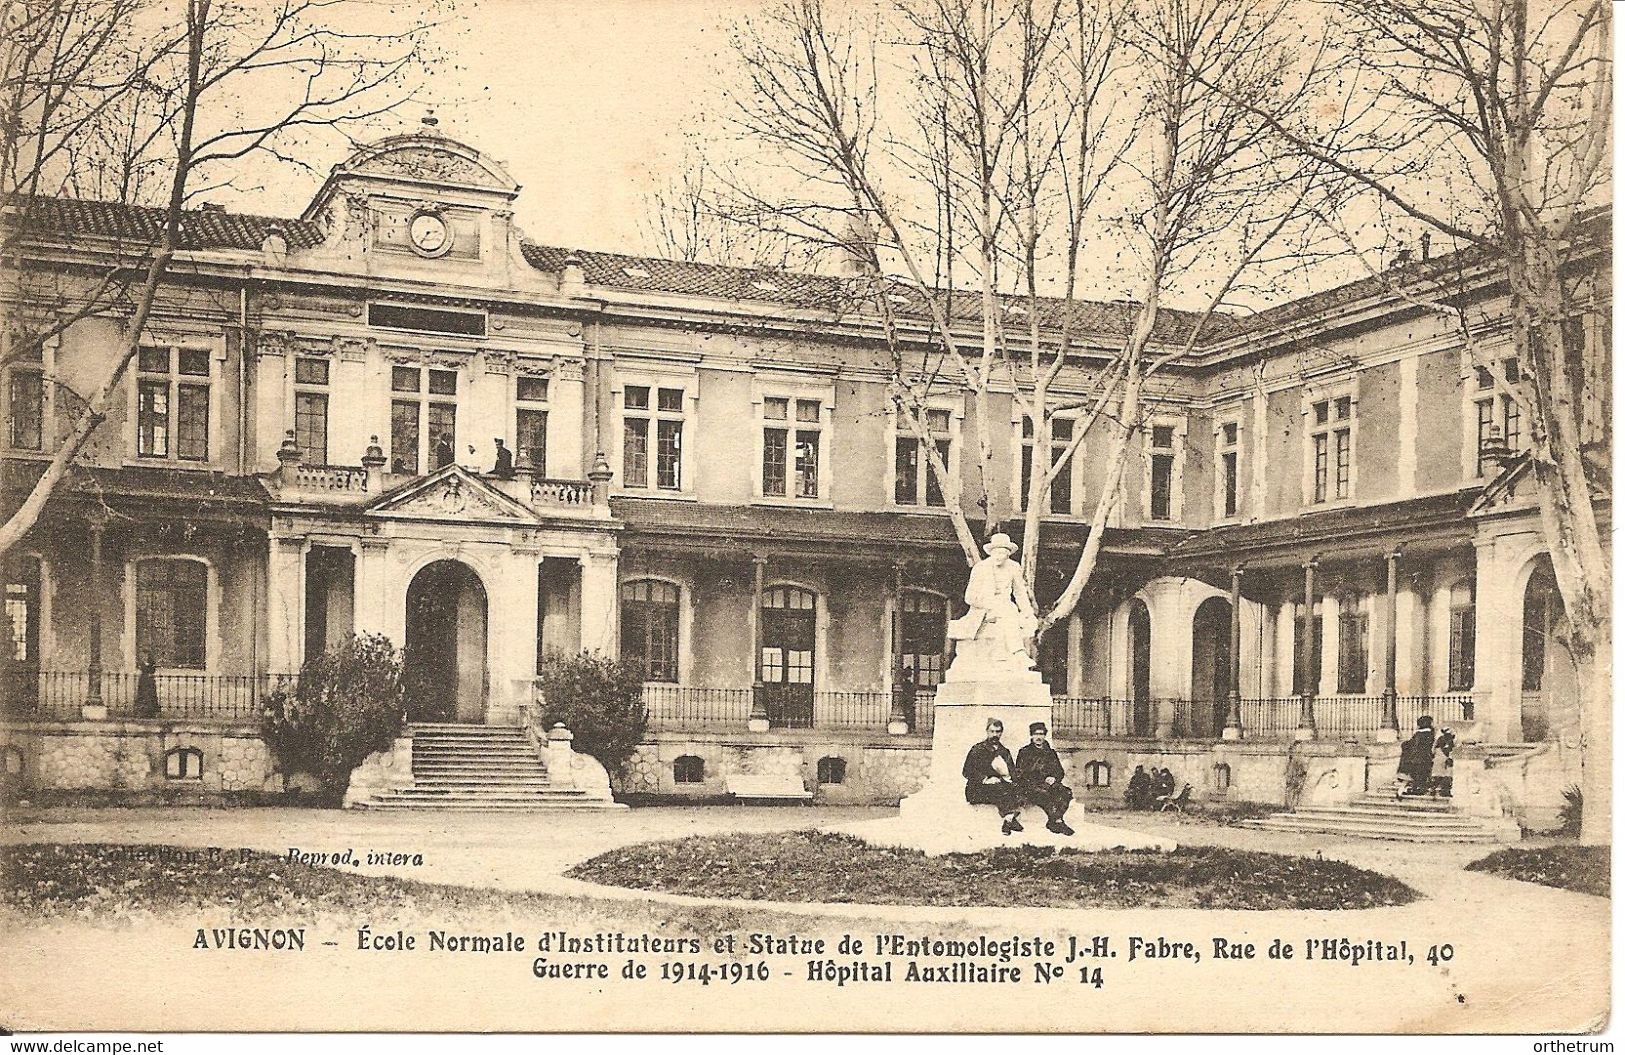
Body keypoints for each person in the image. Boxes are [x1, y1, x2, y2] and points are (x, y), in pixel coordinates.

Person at [947, 533, 1038, 661]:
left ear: (1008, 554)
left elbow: (1020, 593)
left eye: (1002, 553)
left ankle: (1008, 656)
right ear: (991, 552)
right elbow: (969, 597)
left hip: (1005, 605)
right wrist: (989, 603)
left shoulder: (1014, 567)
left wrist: (1027, 612)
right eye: (996, 553)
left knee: (1011, 612)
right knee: (1009, 613)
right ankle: (1018, 652)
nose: (999, 557)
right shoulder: (980, 568)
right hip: (983, 609)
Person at [962, 718, 1023, 835]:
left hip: (999, 788)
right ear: (987, 731)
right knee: (1001, 789)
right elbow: (966, 771)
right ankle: (1010, 819)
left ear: (1001, 733)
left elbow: (1012, 772)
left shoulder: (1004, 752)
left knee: (1014, 788)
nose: (995, 735)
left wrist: (1010, 777)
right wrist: (985, 779)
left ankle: (1008, 819)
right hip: (977, 789)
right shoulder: (977, 749)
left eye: (998, 732)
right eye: (992, 731)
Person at [1015, 721, 1074, 836]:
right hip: (1031, 785)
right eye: (1036, 734)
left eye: (1041, 734)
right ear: (1031, 736)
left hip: (1049, 784)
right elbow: (1020, 773)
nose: (1038, 737)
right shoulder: (1025, 752)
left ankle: (1054, 820)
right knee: (1044, 794)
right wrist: (1036, 779)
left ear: (1044, 735)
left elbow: (1059, 771)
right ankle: (1057, 821)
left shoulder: (1050, 753)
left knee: (1066, 792)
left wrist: (1054, 778)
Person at [1399, 715, 1436, 795]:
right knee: (1422, 773)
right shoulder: (1430, 733)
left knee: (1417, 773)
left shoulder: (1418, 734)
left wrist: (1404, 744)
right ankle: (1420, 787)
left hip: (1416, 758)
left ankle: (1417, 788)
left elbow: (1411, 745)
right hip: (1425, 757)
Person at [1432, 726, 1457, 797]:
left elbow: (1433, 749)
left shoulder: (1439, 739)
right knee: (1446, 775)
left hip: (1441, 758)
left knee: (1439, 775)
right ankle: (1444, 791)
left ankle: (1435, 790)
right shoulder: (1451, 739)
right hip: (1444, 758)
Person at [134, 653, 159, 719]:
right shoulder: (141, 664)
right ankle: (142, 712)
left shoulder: (151, 664)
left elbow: (152, 671)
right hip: (143, 681)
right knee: (143, 695)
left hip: (150, 682)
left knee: (151, 696)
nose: (145, 657)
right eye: (143, 655)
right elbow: (141, 671)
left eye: (146, 655)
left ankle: (151, 712)